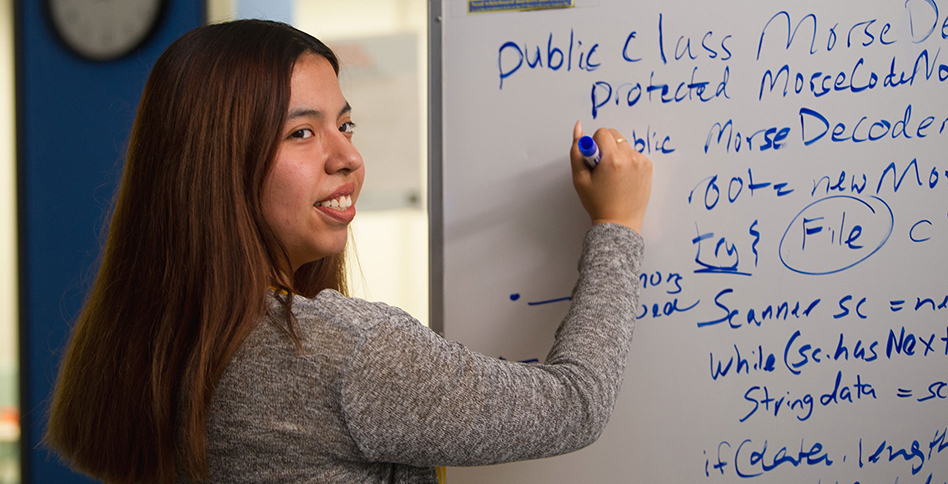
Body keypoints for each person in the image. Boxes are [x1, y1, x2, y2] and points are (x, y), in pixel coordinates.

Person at [45, 19, 653, 484]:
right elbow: (575, 403)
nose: (348, 158)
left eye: (346, 125)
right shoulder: (341, 354)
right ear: (217, 167)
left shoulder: (148, 339)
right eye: (302, 132)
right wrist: (618, 224)